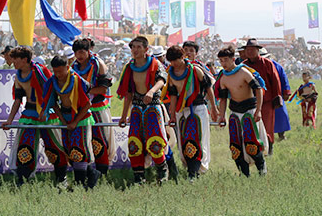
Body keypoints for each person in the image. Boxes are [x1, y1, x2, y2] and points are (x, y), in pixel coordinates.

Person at [1, 46, 69, 188]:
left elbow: (51, 92)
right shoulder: (18, 75)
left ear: (25, 59)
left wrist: (44, 111)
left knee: (54, 147)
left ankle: (61, 178)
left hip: (47, 114)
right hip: (29, 114)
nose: (13, 61)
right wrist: (9, 120)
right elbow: (18, 100)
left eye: (15, 59)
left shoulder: (40, 71)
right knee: (25, 147)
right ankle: (23, 180)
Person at [117, 36, 169, 185]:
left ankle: (162, 171)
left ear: (146, 49)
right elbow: (128, 93)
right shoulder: (129, 67)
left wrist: (151, 91)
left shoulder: (155, 63)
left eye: (139, 47)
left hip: (152, 107)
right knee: (134, 143)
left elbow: (161, 80)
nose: (135, 50)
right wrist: (123, 116)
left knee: (155, 141)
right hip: (136, 109)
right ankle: (139, 178)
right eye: (133, 47)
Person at [47, 55, 101, 190]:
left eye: (61, 71)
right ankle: (92, 173)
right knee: (70, 151)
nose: (58, 74)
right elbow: (53, 103)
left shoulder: (77, 81)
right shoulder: (53, 82)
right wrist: (63, 120)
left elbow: (87, 104)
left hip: (81, 119)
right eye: (55, 71)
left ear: (67, 67)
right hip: (65, 119)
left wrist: (75, 122)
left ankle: (79, 185)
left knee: (78, 150)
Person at [216, 45, 267, 177]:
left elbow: (258, 89)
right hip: (234, 112)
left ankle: (262, 169)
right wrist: (222, 116)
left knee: (252, 142)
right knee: (235, 146)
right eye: (221, 61)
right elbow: (223, 99)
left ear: (233, 59)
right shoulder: (223, 78)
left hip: (249, 111)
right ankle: (244, 174)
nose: (223, 63)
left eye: (226, 60)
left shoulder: (244, 72)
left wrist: (259, 110)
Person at [165, 45, 214, 181]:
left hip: (197, 108)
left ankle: (194, 173)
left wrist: (214, 109)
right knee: (184, 140)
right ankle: (191, 169)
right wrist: (173, 114)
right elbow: (173, 95)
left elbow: (208, 88)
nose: (174, 63)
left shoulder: (194, 70)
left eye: (176, 60)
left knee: (196, 139)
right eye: (171, 61)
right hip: (181, 110)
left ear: (182, 57)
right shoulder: (171, 73)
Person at [70, 38, 114, 178]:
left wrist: (85, 92)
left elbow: (103, 89)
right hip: (80, 109)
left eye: (82, 52)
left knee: (99, 141)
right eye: (77, 52)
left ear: (89, 51)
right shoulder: (73, 66)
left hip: (97, 108)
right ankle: (88, 174)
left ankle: (102, 175)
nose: (79, 55)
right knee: (82, 141)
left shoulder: (99, 64)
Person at [240, 39, 283, 154]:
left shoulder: (267, 63)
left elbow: (275, 80)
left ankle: (269, 148)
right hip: (249, 101)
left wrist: (277, 96)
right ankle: (255, 149)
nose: (249, 52)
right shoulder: (243, 65)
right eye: (247, 50)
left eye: (252, 50)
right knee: (252, 126)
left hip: (267, 101)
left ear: (257, 50)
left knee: (267, 125)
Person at [264, 49, 292, 141]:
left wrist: (286, 92)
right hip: (264, 96)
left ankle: (281, 135)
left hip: (277, 94)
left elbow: (284, 79)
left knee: (280, 114)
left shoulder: (277, 66)